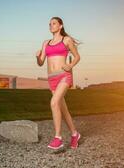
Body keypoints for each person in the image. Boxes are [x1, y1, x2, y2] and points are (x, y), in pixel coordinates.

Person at [36, 17, 82, 150]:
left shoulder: (66, 40)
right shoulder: (46, 43)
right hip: (52, 79)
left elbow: (77, 56)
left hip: (64, 76)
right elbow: (40, 63)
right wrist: (37, 57)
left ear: (60, 26)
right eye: (49, 24)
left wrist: (70, 65)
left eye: (54, 23)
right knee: (63, 109)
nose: (51, 26)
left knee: (54, 102)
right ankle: (75, 134)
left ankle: (58, 138)